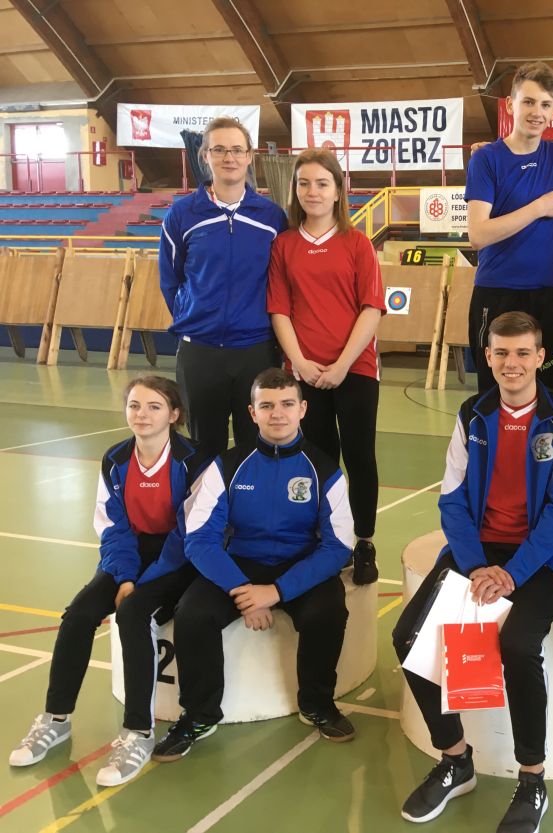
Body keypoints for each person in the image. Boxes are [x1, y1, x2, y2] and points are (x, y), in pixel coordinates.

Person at [392, 312, 553, 832]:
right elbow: (452, 500)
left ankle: (532, 778)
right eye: (501, 353)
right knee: (408, 637)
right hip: (479, 551)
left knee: (518, 645)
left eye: (523, 353)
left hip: (544, 556)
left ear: (541, 357)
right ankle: (456, 759)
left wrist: (511, 574)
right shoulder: (472, 414)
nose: (511, 363)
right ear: (487, 357)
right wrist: (478, 565)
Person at [152, 368, 356, 761]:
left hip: (300, 564)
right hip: (240, 564)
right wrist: (242, 590)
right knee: (192, 613)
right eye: (267, 406)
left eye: (286, 404)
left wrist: (276, 592)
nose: (277, 414)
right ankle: (199, 715)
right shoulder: (227, 466)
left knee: (327, 612)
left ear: (302, 409)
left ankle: (317, 704)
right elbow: (199, 539)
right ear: (252, 412)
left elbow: (337, 547)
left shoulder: (325, 470)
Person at [9, 377, 204, 786]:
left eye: (154, 406)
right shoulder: (115, 459)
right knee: (78, 614)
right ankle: (56, 718)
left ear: (174, 414)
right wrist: (126, 575)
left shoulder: (193, 461)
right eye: (134, 405)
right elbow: (113, 527)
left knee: (133, 613)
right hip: (129, 554)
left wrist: (141, 584)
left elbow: (189, 533)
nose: (142, 415)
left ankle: (138, 732)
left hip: (178, 559)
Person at [269, 148, 386, 584]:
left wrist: (341, 364)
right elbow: (279, 310)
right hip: (305, 374)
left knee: (359, 456)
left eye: (322, 183)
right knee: (317, 460)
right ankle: (327, 540)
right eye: (304, 183)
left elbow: (371, 308)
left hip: (355, 369)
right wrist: (300, 363)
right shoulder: (284, 245)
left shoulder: (357, 244)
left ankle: (364, 542)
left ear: (338, 191)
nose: (312, 192)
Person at [466, 61, 553, 393]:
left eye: (545, 104)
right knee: (494, 393)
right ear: (510, 105)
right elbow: (478, 235)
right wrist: (539, 208)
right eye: (528, 102)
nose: (536, 112)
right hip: (496, 293)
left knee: (547, 392)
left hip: (544, 295)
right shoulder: (486, 159)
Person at [160, 116, 288, 463]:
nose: (229, 157)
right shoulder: (182, 215)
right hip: (200, 353)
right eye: (219, 150)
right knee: (203, 452)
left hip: (256, 351)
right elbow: (170, 280)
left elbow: (281, 281)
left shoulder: (271, 217)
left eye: (236, 150)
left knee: (257, 450)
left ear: (249, 156)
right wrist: (196, 318)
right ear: (205, 155)